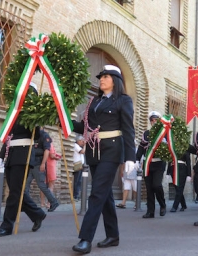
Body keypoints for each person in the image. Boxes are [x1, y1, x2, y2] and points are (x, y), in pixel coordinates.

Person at [71, 65, 136, 254]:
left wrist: (130, 158)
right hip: (94, 151)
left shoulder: (123, 101)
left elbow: (128, 129)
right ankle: (113, 235)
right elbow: (84, 127)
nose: (101, 79)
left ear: (115, 80)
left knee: (97, 193)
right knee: (105, 195)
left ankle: (85, 239)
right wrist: (65, 121)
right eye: (100, 77)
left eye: (106, 76)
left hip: (112, 151)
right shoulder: (94, 102)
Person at [0, 85, 46, 237]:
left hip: (23, 154)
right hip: (12, 154)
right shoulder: (14, 113)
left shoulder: (32, 114)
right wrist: (1, 156)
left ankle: (7, 225)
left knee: (14, 193)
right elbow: (8, 137)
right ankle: (37, 214)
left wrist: (36, 118)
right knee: (17, 191)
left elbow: (36, 137)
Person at [136, 111, 167, 218]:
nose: (154, 122)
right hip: (148, 163)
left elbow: (170, 148)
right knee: (149, 188)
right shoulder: (146, 134)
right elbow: (141, 147)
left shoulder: (164, 133)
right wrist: (136, 160)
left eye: (156, 120)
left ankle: (162, 205)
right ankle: (150, 211)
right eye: (152, 120)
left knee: (156, 185)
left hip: (159, 162)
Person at [25, 127, 59, 212]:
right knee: (25, 185)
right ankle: (25, 204)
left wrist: (43, 163)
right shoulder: (32, 135)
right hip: (31, 163)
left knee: (41, 185)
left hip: (38, 163)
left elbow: (47, 150)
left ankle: (53, 201)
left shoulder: (44, 135)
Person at [41, 142, 61, 208]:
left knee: (43, 185)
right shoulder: (50, 144)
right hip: (50, 165)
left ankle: (42, 203)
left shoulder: (42, 144)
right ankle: (49, 203)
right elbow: (52, 156)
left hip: (44, 165)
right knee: (51, 185)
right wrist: (57, 157)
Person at [73, 134, 86, 201]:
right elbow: (82, 152)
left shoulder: (78, 146)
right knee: (77, 181)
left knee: (79, 181)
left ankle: (77, 195)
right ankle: (75, 195)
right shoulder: (76, 145)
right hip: (77, 165)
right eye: (82, 141)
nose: (82, 142)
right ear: (78, 141)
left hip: (80, 165)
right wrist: (85, 145)